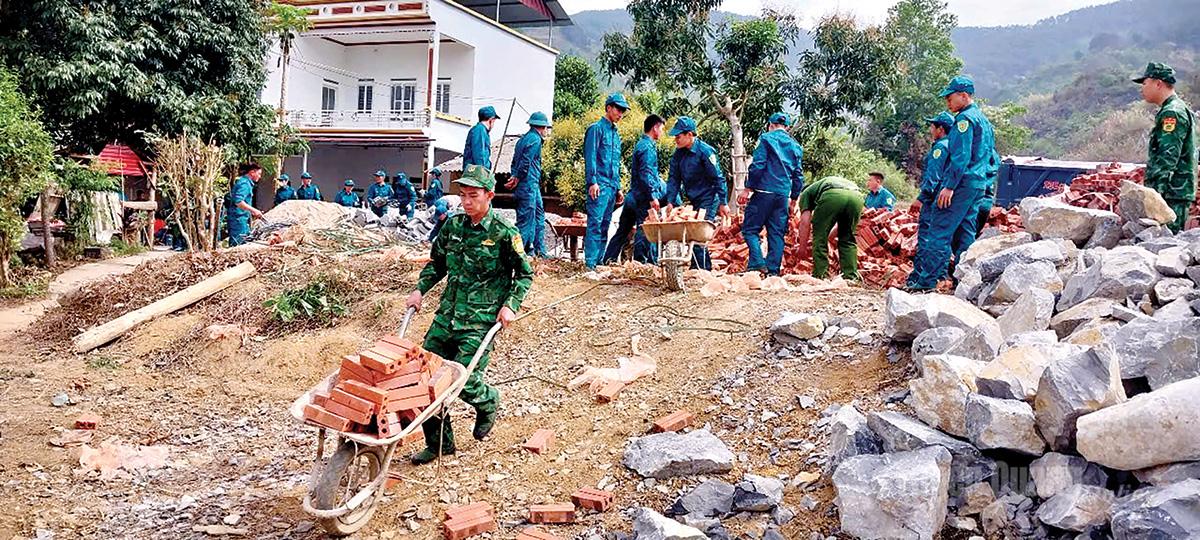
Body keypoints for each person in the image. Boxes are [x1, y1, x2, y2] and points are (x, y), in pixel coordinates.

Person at [405, 163, 533, 465]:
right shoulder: (452, 226)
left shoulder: (503, 233)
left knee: (460, 381)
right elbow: (436, 264)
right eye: (462, 195)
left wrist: (510, 305)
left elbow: (524, 275)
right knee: (423, 378)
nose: (465, 201)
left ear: (489, 195)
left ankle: (488, 400)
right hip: (446, 316)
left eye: (473, 195)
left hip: (480, 320)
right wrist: (419, 290)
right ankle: (440, 445)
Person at [906, 75, 998, 291]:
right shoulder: (984, 121)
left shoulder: (964, 120)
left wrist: (949, 186)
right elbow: (992, 157)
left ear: (963, 95)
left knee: (938, 231)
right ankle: (963, 283)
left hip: (962, 183)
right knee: (965, 233)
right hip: (977, 186)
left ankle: (925, 283)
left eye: (950, 97)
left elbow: (961, 157)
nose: (947, 102)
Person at [739, 112, 805, 276]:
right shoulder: (795, 147)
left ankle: (757, 263)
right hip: (782, 195)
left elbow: (758, 165)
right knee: (776, 233)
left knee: (750, 230)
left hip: (763, 192)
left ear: (770, 125)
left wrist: (748, 188)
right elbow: (798, 176)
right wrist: (794, 199)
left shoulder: (766, 139)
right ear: (787, 127)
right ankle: (773, 272)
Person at [1135, 62, 1197, 233]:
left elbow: (1167, 157)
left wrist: (1154, 193)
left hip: (1170, 193)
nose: (1142, 88)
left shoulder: (1172, 113)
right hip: (1174, 191)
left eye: (1145, 83)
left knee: (1165, 243)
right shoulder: (1174, 108)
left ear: (1158, 83)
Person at [664, 116, 729, 270]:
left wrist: (723, 202)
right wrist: (670, 201)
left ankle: (701, 269)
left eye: (679, 136)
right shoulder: (678, 154)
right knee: (692, 232)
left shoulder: (705, 151)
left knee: (699, 233)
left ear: (689, 135)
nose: (676, 140)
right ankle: (701, 266)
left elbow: (718, 177)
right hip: (693, 197)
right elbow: (674, 179)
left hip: (709, 196)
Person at [603, 114, 667, 265]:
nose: (663, 132)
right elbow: (646, 174)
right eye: (662, 128)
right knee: (645, 231)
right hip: (643, 198)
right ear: (655, 127)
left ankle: (608, 260)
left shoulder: (641, 144)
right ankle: (642, 264)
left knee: (622, 231)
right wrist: (653, 197)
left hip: (633, 196)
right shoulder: (647, 147)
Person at [582, 93, 629, 269]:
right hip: (599, 184)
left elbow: (616, 163)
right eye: (618, 108)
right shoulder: (596, 129)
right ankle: (590, 264)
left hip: (611, 187)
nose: (620, 113)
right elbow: (591, 157)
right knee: (595, 223)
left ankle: (599, 261)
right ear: (608, 107)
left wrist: (618, 188)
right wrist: (592, 181)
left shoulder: (616, 134)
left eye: (623, 110)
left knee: (605, 224)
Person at [909, 112, 954, 282]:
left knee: (927, 238)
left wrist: (921, 198)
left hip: (933, 199)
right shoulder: (952, 146)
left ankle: (921, 278)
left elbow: (933, 177)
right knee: (941, 238)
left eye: (932, 126)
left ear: (940, 129)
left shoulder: (940, 148)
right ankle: (939, 277)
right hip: (944, 199)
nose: (930, 130)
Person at [795, 176, 865, 281]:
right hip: (857, 196)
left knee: (819, 237)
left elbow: (805, 222)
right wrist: (828, 237)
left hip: (832, 195)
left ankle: (821, 275)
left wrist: (802, 248)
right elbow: (839, 227)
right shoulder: (822, 185)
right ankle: (850, 277)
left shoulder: (805, 194)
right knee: (847, 238)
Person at [507, 111, 551, 257]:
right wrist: (518, 177)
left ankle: (539, 251)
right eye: (546, 128)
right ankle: (516, 255)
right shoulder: (535, 140)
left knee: (539, 215)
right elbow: (526, 162)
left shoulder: (522, 140)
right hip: (528, 184)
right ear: (542, 127)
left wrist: (514, 176)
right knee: (525, 221)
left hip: (531, 185)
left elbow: (514, 161)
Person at [226, 163, 264, 247]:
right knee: (238, 245)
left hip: (242, 219)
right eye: (259, 174)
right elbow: (238, 202)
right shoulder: (244, 184)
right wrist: (254, 210)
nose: (259, 177)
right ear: (252, 172)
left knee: (244, 243)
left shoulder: (245, 182)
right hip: (238, 219)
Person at [465, 106, 500, 170]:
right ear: (491, 120)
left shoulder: (480, 130)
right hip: (476, 173)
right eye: (494, 121)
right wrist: (483, 172)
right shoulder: (480, 130)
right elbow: (479, 154)